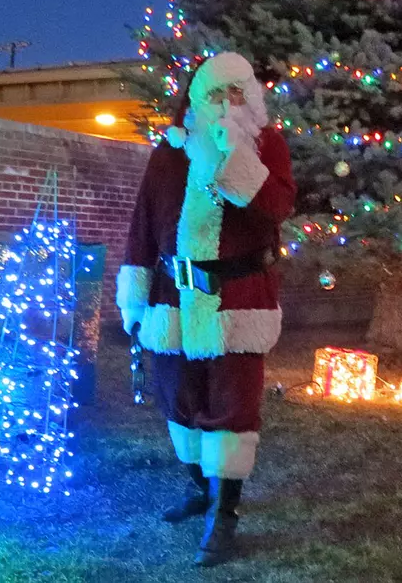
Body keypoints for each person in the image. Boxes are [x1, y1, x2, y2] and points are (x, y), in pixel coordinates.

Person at [115, 52, 296, 565]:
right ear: (195, 99)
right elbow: (142, 226)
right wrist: (134, 293)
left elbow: (277, 208)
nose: (226, 103)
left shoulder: (268, 147)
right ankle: (200, 489)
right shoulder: (168, 153)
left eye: (236, 92)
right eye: (216, 94)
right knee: (178, 401)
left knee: (233, 408)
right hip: (173, 299)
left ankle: (226, 513)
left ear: (250, 96)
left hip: (236, 300)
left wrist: (232, 159)